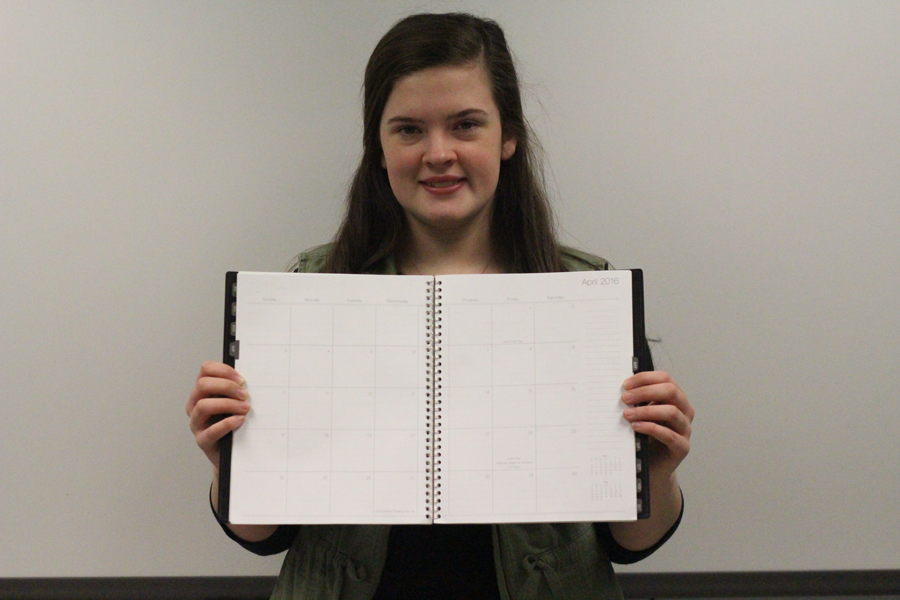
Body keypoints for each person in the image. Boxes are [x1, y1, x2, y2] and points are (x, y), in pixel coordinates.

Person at [186, 12, 694, 600]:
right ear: (378, 146)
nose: (438, 153)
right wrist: (228, 458)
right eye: (408, 130)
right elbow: (266, 535)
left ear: (509, 138)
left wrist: (657, 468)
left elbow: (627, 542)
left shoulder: (584, 298)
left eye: (465, 125)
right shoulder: (312, 292)